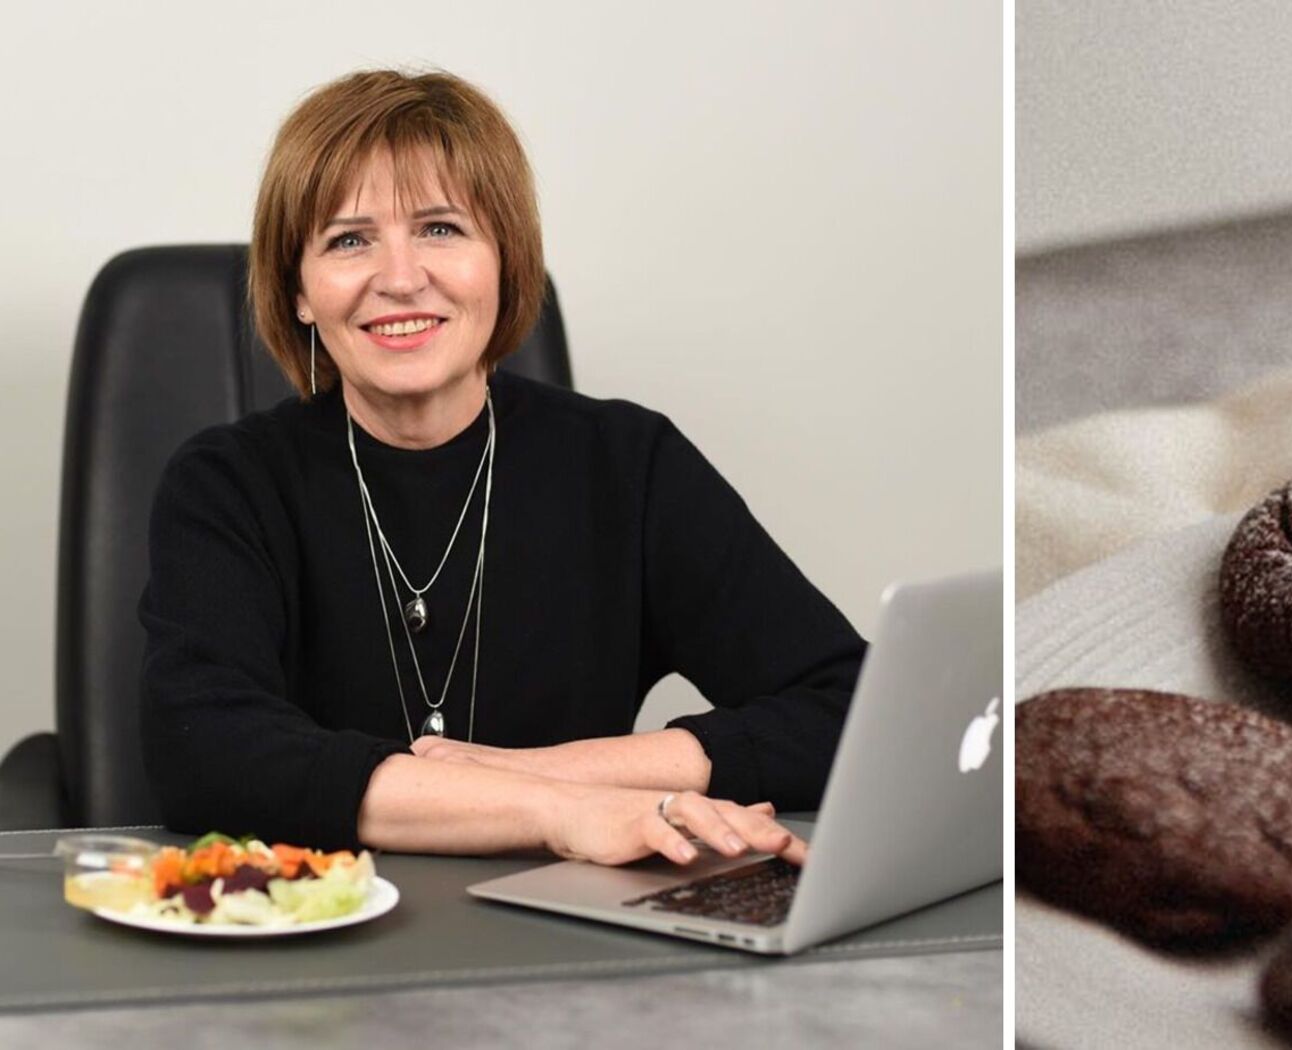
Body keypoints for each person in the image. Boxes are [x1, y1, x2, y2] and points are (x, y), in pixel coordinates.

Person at [138, 69, 863, 871]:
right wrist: (557, 812)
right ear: (300, 291)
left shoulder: (627, 465)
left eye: (441, 229)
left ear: (505, 260)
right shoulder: (227, 484)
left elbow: (855, 708)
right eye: (349, 239)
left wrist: (544, 771)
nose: (401, 276)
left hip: (580, 936)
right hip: (311, 943)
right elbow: (204, 749)